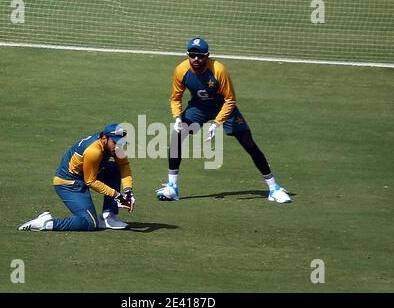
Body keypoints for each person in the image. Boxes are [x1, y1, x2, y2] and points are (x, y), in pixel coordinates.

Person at [156, 37, 291, 203]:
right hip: (199, 107)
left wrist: (217, 122)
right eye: (192, 55)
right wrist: (177, 117)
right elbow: (175, 98)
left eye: (200, 56)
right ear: (187, 55)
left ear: (207, 55)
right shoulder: (181, 70)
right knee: (177, 136)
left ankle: (273, 188)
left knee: (248, 143)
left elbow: (230, 99)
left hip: (223, 107)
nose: (196, 59)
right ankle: (172, 187)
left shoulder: (219, 70)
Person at [18, 123, 135, 232]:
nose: (118, 146)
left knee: (114, 168)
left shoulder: (112, 147)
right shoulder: (94, 151)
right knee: (90, 223)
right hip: (68, 183)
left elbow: (123, 165)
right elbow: (90, 181)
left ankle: (108, 216)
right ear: (104, 139)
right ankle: (46, 223)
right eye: (115, 142)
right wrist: (117, 196)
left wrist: (128, 191)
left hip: (84, 175)